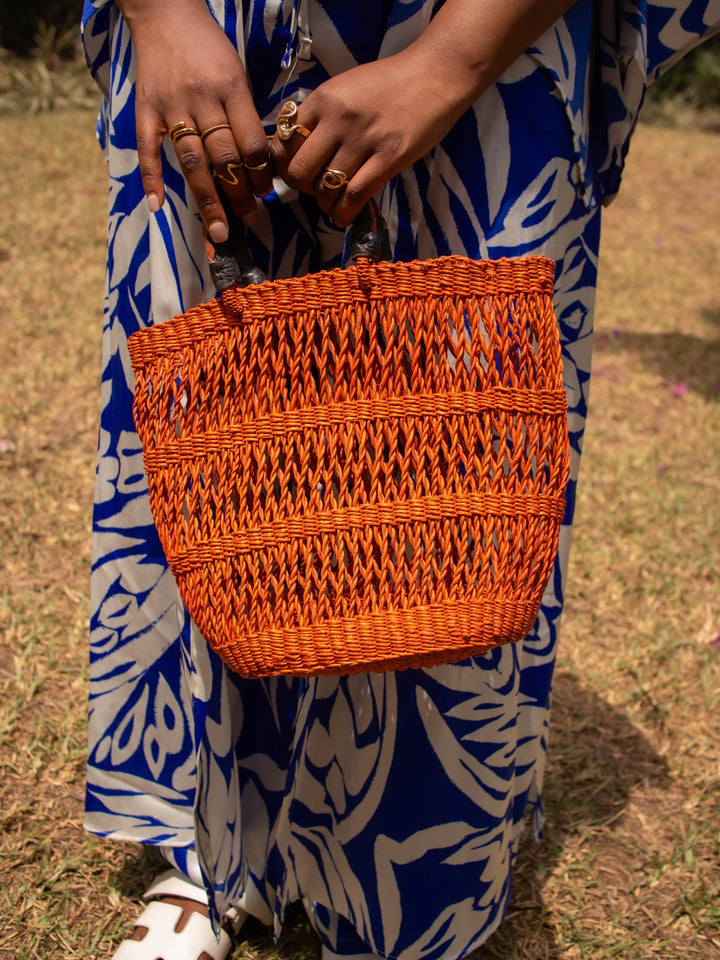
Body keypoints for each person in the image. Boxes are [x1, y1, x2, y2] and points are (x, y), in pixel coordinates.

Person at [80, 1, 720, 958]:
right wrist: (163, 17)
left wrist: (446, 63)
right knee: (221, 443)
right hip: (216, 42)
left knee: (449, 480)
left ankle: (413, 882)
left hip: (484, 46)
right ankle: (219, 847)